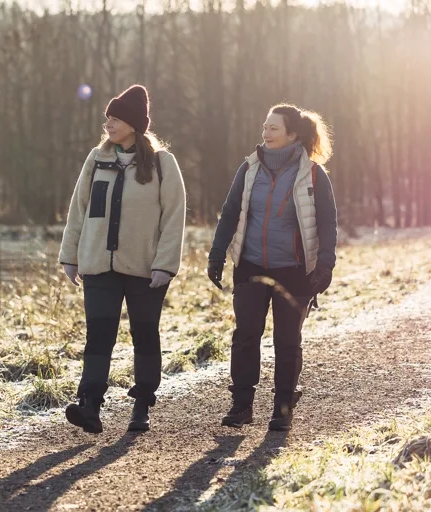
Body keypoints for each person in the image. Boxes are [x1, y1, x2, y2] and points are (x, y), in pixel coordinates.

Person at [59, 84, 186, 434]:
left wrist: (165, 264)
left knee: (145, 335)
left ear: (134, 123)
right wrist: (70, 256)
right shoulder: (96, 159)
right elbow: (79, 211)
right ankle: (89, 406)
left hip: (146, 267)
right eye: (108, 119)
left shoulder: (163, 164)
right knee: (98, 336)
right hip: (99, 265)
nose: (109, 125)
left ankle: (142, 403)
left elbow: (174, 217)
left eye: (116, 119)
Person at [207, 104, 338, 431]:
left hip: (294, 270)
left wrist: (325, 265)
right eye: (265, 127)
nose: (266, 133)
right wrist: (216, 254)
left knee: (287, 339)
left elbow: (328, 223)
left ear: (292, 134)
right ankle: (241, 405)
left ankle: (282, 408)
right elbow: (229, 211)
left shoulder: (312, 174)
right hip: (250, 265)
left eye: (274, 128)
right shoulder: (249, 169)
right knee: (246, 335)